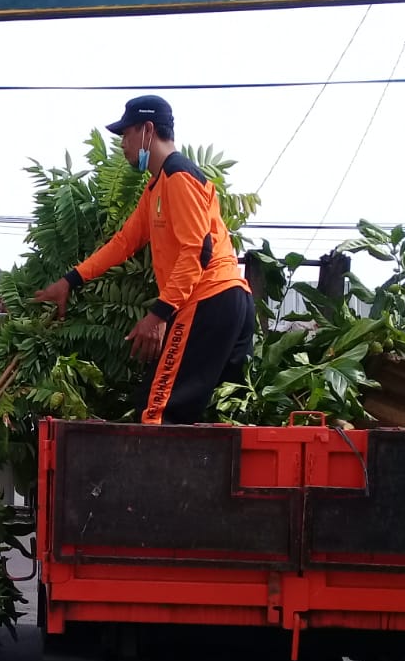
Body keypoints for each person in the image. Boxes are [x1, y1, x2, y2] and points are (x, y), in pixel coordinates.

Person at [33, 95, 255, 425]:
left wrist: (159, 314)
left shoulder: (180, 176)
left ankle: (152, 477)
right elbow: (123, 243)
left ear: (147, 130)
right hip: (228, 298)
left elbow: (197, 251)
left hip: (209, 299)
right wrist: (71, 280)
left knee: (158, 412)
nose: (122, 144)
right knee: (219, 414)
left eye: (126, 134)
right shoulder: (157, 188)